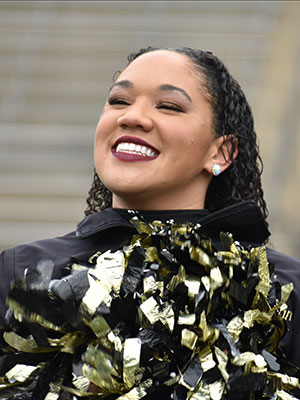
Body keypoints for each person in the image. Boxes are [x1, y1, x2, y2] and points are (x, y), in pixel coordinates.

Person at [0, 46, 299, 399]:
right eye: (118, 101)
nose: (132, 117)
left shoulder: (282, 289)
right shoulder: (20, 271)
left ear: (221, 152)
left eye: (169, 106)